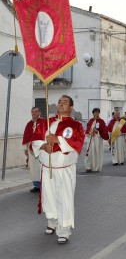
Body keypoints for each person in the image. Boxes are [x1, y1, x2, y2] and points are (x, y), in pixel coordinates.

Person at [32, 95, 85, 244]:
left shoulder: (76, 126)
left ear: (71, 107)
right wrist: (43, 146)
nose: (61, 104)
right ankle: (52, 222)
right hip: (47, 167)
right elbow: (35, 140)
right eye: (60, 102)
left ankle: (64, 230)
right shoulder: (45, 123)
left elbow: (77, 142)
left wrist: (58, 140)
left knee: (64, 198)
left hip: (64, 169)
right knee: (49, 197)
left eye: (65, 102)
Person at [22, 107, 43, 192]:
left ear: (39, 113)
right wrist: (25, 149)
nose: (34, 113)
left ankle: (43, 185)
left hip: (41, 149)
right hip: (31, 150)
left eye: (36, 111)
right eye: (32, 112)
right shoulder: (29, 124)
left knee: (41, 167)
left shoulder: (43, 122)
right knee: (34, 168)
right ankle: (36, 185)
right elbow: (26, 136)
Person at [85, 108, 109, 172]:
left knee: (96, 153)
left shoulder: (101, 121)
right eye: (95, 112)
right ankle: (88, 167)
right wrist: (90, 132)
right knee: (89, 153)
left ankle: (95, 167)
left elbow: (104, 130)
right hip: (91, 139)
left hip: (97, 139)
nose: (97, 114)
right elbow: (88, 129)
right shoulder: (90, 121)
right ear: (93, 113)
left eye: (98, 112)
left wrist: (97, 131)